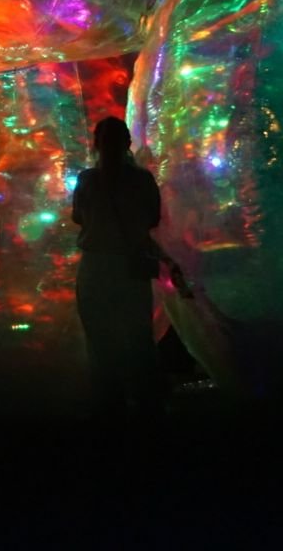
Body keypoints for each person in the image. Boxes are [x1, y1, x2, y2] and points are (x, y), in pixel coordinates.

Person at [71, 116, 185, 420]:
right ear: (128, 144)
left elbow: (78, 217)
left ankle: (109, 404)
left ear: (95, 144)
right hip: (130, 266)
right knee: (137, 337)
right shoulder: (142, 181)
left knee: (99, 339)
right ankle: (148, 403)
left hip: (95, 268)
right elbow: (151, 220)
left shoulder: (86, 180)